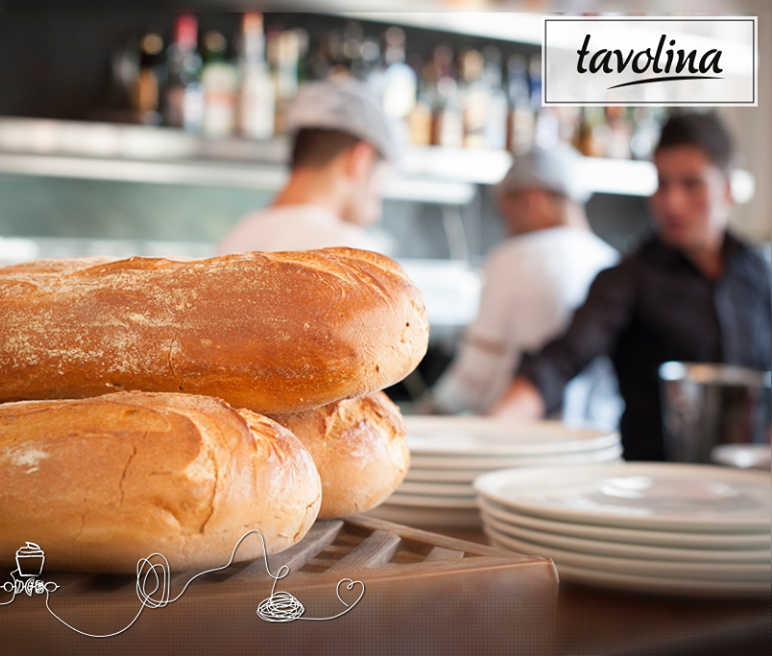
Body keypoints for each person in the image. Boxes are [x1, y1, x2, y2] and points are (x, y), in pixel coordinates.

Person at [489, 113, 772, 461]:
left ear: (727, 188)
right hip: (651, 482)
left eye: (691, 184)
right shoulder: (628, 277)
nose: (672, 202)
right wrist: (493, 431)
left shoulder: (759, 273)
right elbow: (560, 360)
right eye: (662, 184)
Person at [427, 146, 622, 428]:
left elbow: (475, 374)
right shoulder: (612, 262)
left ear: (532, 201)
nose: (507, 228)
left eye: (506, 215)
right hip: (596, 440)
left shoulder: (512, 258)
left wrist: (431, 411)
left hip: (518, 438)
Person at [215, 78, 399, 255]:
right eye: (379, 184)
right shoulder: (350, 250)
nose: (375, 215)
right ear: (361, 159)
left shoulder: (236, 238)